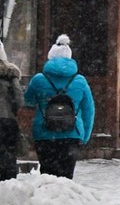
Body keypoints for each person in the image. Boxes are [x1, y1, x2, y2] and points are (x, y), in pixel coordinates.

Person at [23, 34, 94, 179]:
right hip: (72, 134)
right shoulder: (80, 81)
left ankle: (46, 199)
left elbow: (28, 101)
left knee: (47, 176)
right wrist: (84, 135)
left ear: (51, 57)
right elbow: (89, 110)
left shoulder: (39, 79)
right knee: (66, 177)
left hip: (44, 133)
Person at [0, 40, 22, 181]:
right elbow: (19, 98)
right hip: (7, 120)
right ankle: (8, 182)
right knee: (9, 153)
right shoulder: (11, 73)